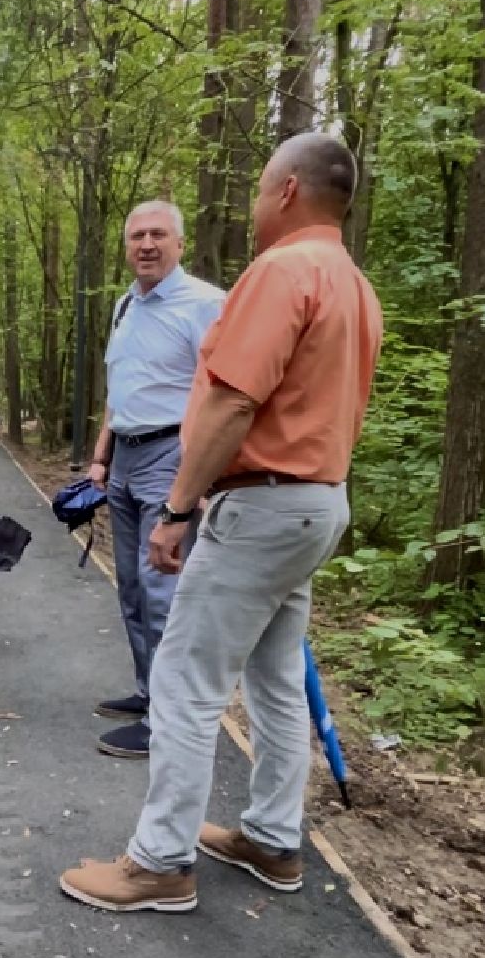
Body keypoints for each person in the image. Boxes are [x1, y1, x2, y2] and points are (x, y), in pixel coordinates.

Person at [60, 133, 383, 912]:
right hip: (317, 501)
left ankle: (158, 862)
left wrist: (177, 507)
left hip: (262, 503)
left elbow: (232, 400)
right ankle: (272, 837)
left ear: (286, 191)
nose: (253, 204)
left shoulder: (280, 272)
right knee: (274, 676)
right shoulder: (352, 282)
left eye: (260, 189)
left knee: (184, 680)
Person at [84, 201, 226, 760]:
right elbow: (121, 388)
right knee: (132, 587)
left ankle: (167, 721)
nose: (146, 244)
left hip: (172, 455)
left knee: (163, 590)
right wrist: (101, 457)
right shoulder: (126, 304)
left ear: (180, 244)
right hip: (124, 457)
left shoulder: (206, 304)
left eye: (158, 234)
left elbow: (222, 395)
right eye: (137, 235)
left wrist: (202, 478)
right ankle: (149, 691)